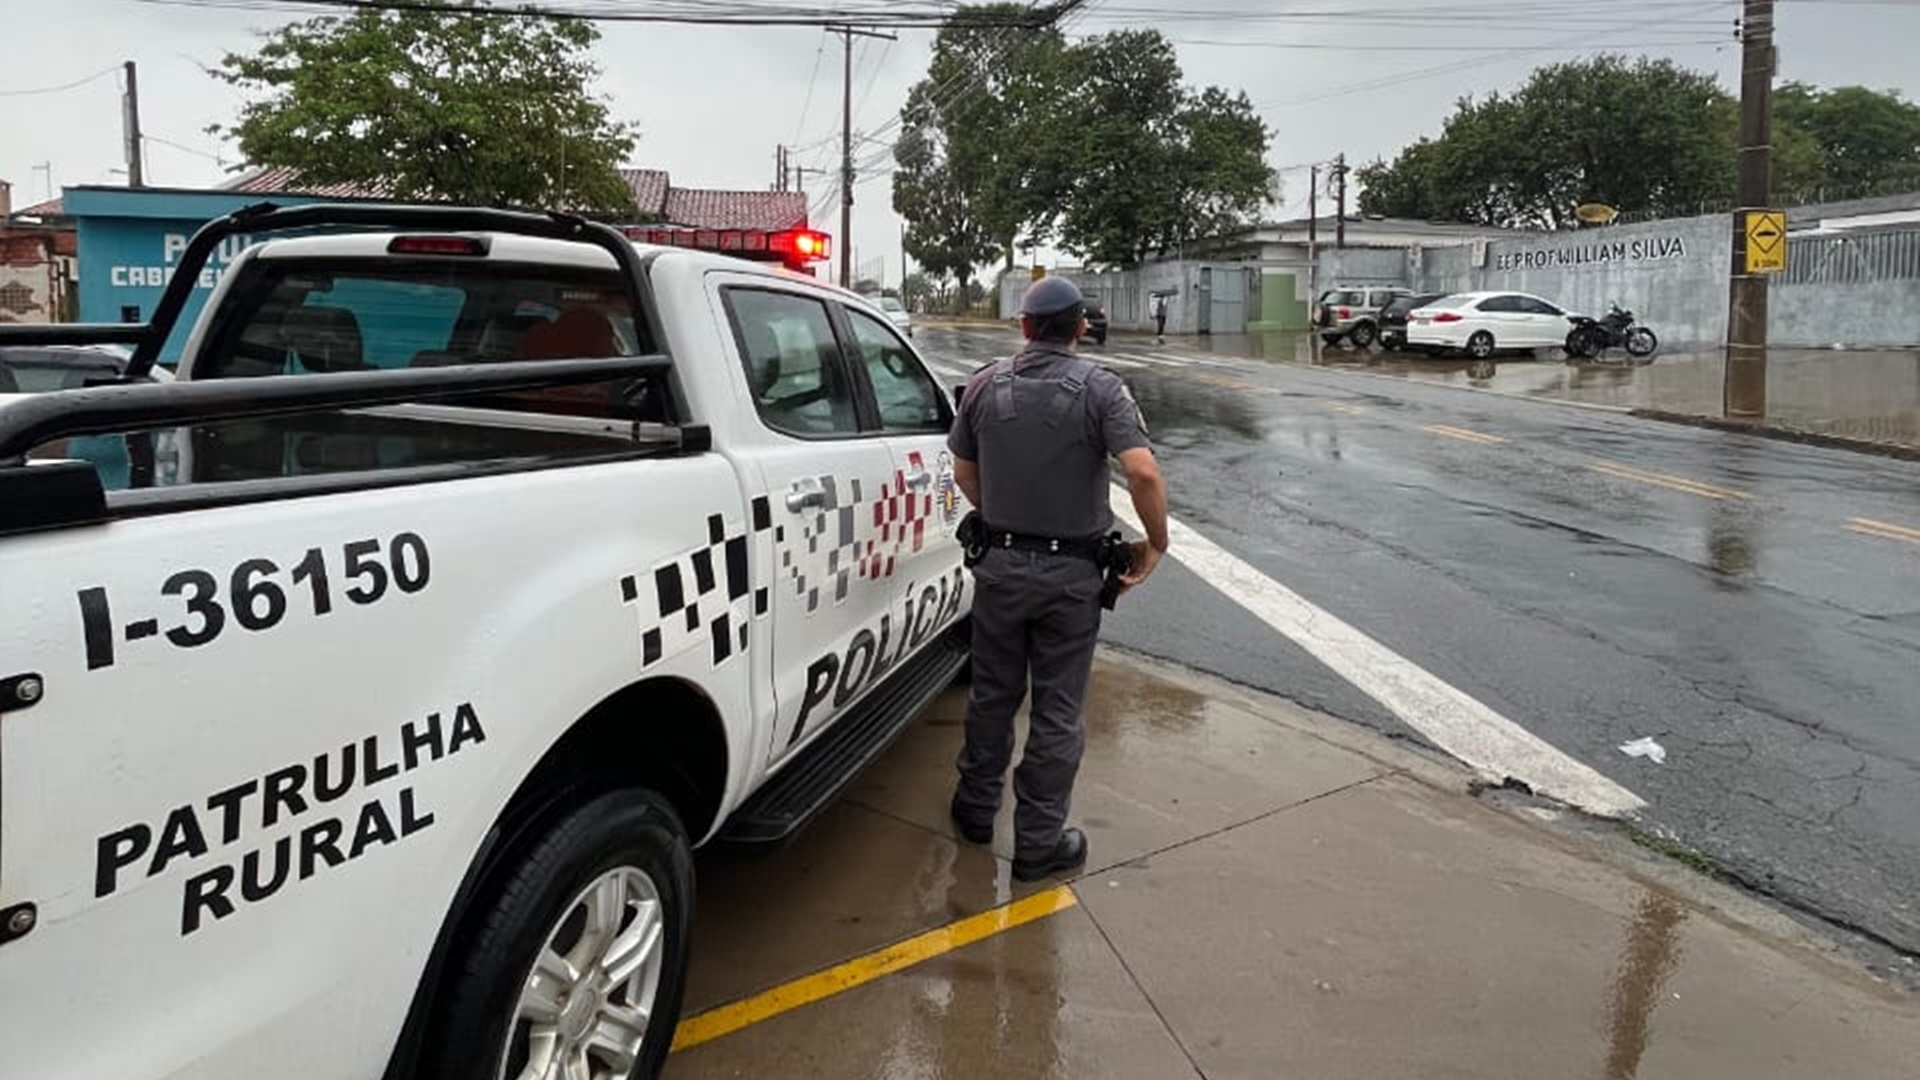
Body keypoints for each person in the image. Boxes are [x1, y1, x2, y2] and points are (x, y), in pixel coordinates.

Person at [947, 276, 1170, 881]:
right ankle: (1039, 842)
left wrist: (1002, 515)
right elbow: (1143, 475)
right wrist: (1156, 543)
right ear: (1080, 327)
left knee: (992, 693)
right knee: (1057, 708)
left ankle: (974, 808)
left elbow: (964, 470)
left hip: (1000, 568)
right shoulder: (1101, 389)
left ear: (1023, 327)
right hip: (1071, 578)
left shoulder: (986, 384)